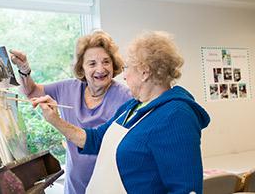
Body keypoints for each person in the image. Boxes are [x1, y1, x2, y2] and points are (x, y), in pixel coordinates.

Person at [31, 31, 211, 194]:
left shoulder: (177, 115)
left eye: (127, 68)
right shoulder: (132, 107)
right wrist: (55, 120)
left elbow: (186, 189)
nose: (123, 76)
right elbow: (95, 140)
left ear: (144, 72)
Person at [10, 30, 131, 194]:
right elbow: (30, 91)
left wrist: (56, 120)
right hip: (74, 187)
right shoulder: (68, 88)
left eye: (106, 62)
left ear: (113, 64)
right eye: (92, 63)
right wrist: (24, 68)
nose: (100, 69)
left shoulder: (126, 97)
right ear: (81, 66)